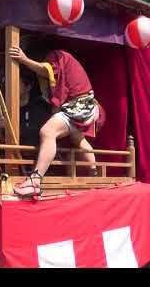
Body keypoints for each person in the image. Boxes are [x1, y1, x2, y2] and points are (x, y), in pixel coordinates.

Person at [9, 45, 106, 197]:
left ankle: (35, 181)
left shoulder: (57, 56)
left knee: (47, 132)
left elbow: (45, 69)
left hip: (80, 105)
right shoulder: (67, 61)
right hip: (86, 105)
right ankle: (94, 174)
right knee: (78, 138)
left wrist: (24, 60)